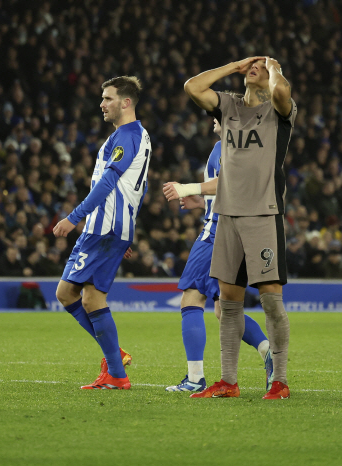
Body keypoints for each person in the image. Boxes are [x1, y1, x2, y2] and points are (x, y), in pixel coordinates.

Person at [183, 57, 296, 400]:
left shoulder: (279, 111)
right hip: (228, 216)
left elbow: (282, 92)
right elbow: (193, 87)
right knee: (229, 304)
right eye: (254, 64)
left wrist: (273, 69)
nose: (255, 67)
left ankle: (279, 380)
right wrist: (233, 66)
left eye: (260, 67)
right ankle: (228, 381)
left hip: (263, 213)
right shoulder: (229, 106)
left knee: (271, 302)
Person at [54, 76, 150, 390]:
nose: (102, 104)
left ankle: (115, 365)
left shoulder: (126, 136)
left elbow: (108, 185)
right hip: (111, 229)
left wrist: (73, 218)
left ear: (125, 103)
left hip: (102, 227)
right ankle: (115, 368)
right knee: (89, 297)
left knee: (69, 293)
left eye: (108, 98)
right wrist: (125, 232)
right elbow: (140, 187)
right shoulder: (138, 136)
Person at [162, 118, 272, 392]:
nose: (213, 117)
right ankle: (268, 350)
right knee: (226, 310)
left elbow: (228, 182)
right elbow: (230, 192)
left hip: (217, 234)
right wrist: (203, 202)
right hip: (240, 234)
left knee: (191, 297)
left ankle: (195, 379)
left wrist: (188, 188)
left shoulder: (229, 147)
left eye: (218, 113)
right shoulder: (234, 147)